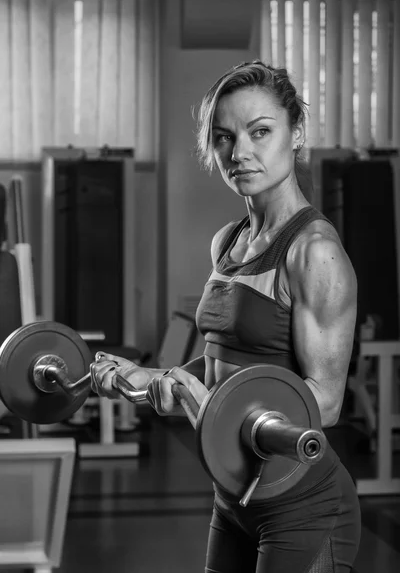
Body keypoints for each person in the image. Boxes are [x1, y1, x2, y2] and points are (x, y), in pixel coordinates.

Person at [90, 60, 361, 572]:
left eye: (261, 132)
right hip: (235, 497)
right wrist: (154, 377)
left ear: (297, 133)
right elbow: (223, 367)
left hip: (304, 503)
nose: (239, 153)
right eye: (223, 137)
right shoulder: (228, 241)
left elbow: (322, 406)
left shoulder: (314, 252)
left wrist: (195, 397)